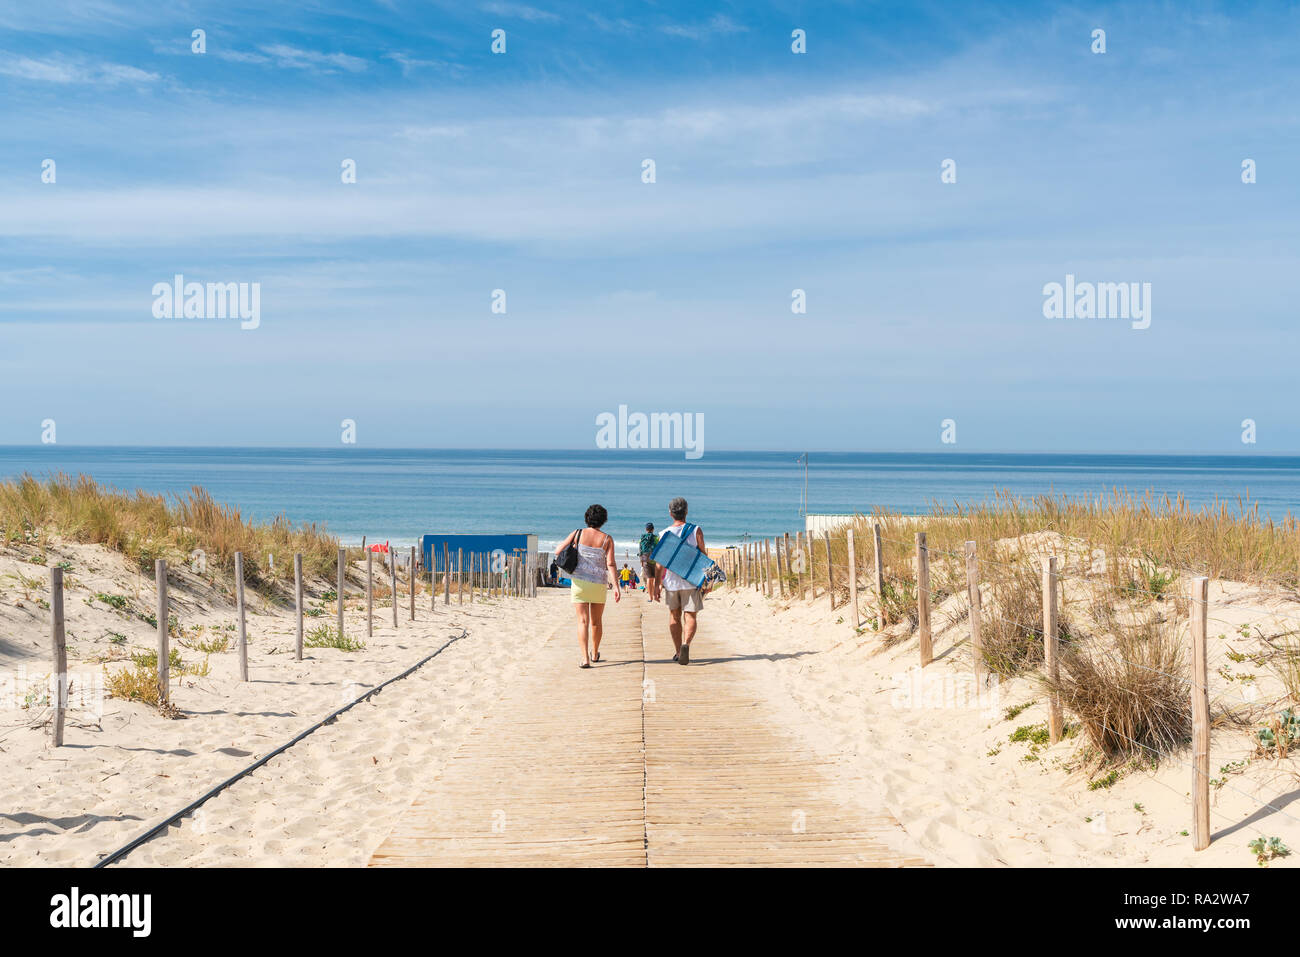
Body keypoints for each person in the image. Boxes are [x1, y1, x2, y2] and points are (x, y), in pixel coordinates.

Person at [554, 505, 620, 668]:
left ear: (587, 518)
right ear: (603, 520)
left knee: (582, 621)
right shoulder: (607, 539)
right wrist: (617, 586)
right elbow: (610, 563)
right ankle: (595, 653)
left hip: (579, 583)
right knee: (596, 622)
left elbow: (558, 551)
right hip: (598, 584)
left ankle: (585, 658)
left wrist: (576, 547)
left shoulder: (577, 533)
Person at [655, 497, 705, 664]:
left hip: (671, 582)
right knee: (690, 616)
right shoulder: (696, 530)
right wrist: (706, 580)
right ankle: (686, 644)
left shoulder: (663, 534)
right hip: (691, 580)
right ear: (686, 511)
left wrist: (656, 585)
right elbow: (703, 556)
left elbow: (660, 563)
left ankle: (677, 651)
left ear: (670, 513)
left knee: (674, 616)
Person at [638, 522, 660, 602]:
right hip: (654, 560)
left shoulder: (642, 538)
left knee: (649, 579)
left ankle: (650, 598)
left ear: (646, 529)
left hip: (645, 560)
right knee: (654, 579)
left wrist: (641, 561)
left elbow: (640, 550)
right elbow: (659, 549)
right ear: (653, 529)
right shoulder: (656, 538)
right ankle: (655, 595)